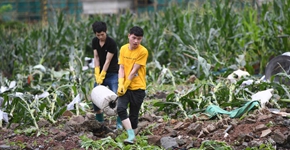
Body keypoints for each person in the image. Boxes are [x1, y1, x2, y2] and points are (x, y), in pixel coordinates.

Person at [117, 26, 149, 144]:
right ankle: (130, 134)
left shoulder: (143, 51)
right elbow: (121, 67)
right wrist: (120, 83)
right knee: (120, 109)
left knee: (133, 115)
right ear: (128, 36)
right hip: (125, 86)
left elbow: (134, 71)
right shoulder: (123, 49)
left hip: (138, 87)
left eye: (139, 39)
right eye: (134, 38)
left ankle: (133, 139)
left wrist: (125, 85)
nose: (136, 41)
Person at [91, 21, 122, 129]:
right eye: (98, 35)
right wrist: (97, 73)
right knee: (95, 94)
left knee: (116, 96)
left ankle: (119, 122)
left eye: (102, 34)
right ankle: (99, 119)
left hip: (112, 73)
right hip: (100, 72)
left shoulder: (111, 43)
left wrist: (103, 74)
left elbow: (108, 61)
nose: (100, 37)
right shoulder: (95, 41)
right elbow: (96, 57)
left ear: (106, 31)